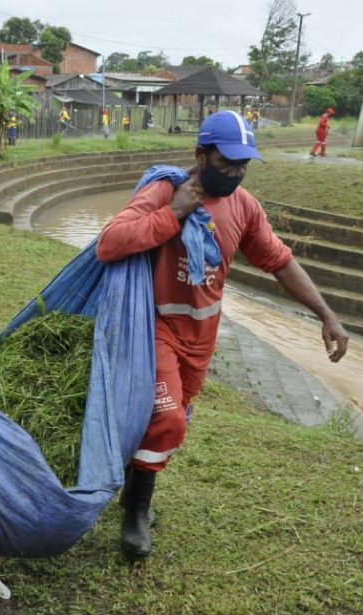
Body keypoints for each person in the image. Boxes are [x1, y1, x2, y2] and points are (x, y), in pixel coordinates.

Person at [95, 111, 349, 561]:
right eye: (225, 164)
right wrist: (173, 213)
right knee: (167, 417)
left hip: (202, 336)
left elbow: (280, 262)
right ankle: (136, 514)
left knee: (172, 422)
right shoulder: (164, 191)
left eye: (242, 167)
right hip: (156, 329)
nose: (233, 174)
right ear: (201, 156)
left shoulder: (245, 207)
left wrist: (326, 314)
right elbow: (110, 242)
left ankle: (132, 494)